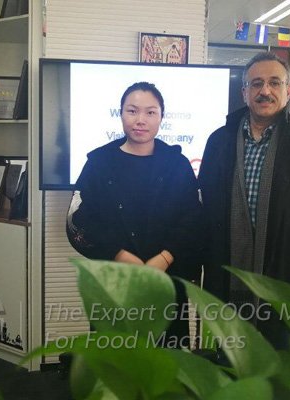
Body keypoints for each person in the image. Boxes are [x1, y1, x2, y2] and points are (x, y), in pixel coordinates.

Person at [198, 52, 290, 346]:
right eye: (256, 83)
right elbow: (206, 216)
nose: (265, 91)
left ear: (288, 91)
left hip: (289, 287)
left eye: (275, 83)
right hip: (228, 284)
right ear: (244, 92)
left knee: (282, 374)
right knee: (232, 369)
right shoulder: (218, 141)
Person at [66, 81, 203, 346]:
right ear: (120, 114)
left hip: (165, 280)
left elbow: (192, 219)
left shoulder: (177, 164)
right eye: (132, 111)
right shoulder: (99, 162)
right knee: (116, 364)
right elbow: (81, 220)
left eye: (150, 112)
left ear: (162, 117)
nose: (140, 120)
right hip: (113, 279)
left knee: (166, 362)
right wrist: (122, 256)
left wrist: (162, 260)